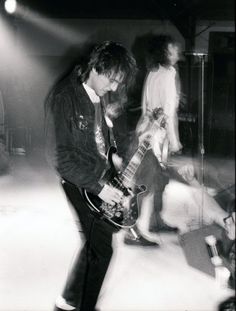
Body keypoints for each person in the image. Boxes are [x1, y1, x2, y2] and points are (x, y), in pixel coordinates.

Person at [44, 41, 137, 311]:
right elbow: (60, 157)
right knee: (101, 249)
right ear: (96, 68)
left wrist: (114, 156)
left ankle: (68, 300)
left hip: (99, 175)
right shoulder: (65, 98)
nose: (115, 88)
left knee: (94, 240)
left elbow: (100, 136)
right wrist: (99, 187)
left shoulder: (97, 92)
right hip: (78, 181)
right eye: (113, 80)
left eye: (120, 82)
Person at [124, 34, 182, 245]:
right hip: (154, 138)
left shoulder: (151, 73)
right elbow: (169, 112)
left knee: (155, 181)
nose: (177, 52)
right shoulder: (169, 74)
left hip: (145, 133)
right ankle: (134, 232)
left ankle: (155, 221)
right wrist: (174, 141)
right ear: (164, 52)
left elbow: (145, 106)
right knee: (145, 185)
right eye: (173, 49)